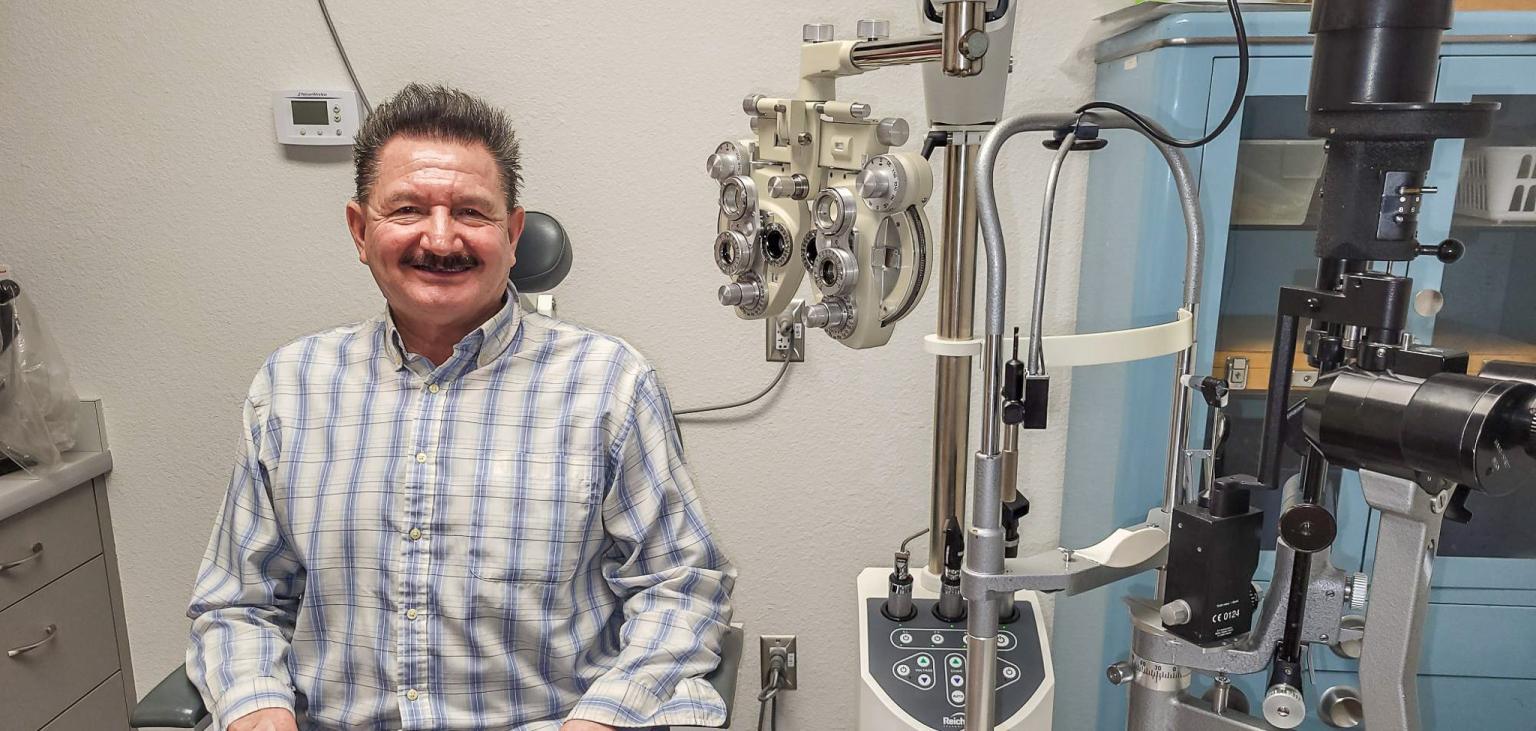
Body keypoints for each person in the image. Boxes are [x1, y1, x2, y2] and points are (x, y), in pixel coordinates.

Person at [186, 83, 736, 731]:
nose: (440, 238)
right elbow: (237, 603)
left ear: (512, 232)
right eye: (408, 209)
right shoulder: (292, 385)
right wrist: (259, 706)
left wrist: (600, 721)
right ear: (361, 231)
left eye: (471, 212)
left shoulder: (609, 384)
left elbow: (683, 587)